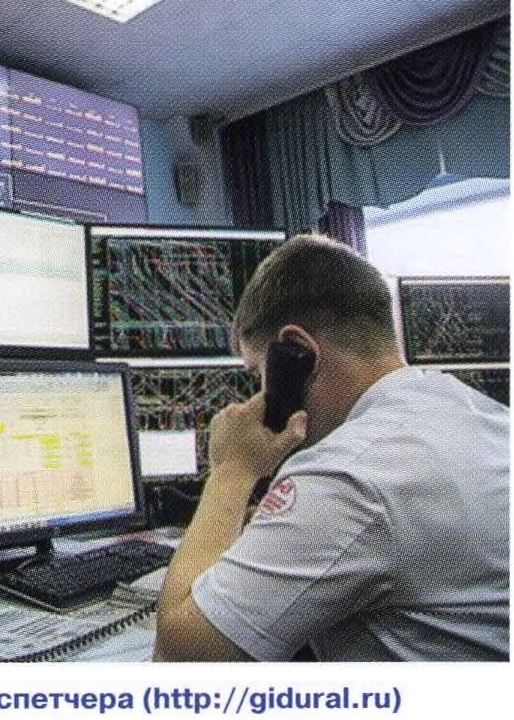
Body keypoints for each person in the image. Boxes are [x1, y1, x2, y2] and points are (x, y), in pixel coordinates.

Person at [154, 234, 509, 662]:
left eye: (257, 373)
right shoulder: (479, 413)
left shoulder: (349, 472)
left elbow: (181, 661)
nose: (258, 394)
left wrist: (232, 469)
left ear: (299, 352)